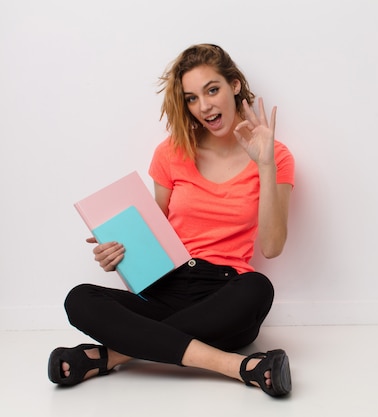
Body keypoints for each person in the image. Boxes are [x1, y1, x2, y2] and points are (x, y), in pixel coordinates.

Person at [47, 44, 294, 397]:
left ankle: (111, 356)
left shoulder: (276, 156)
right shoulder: (172, 152)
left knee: (259, 289)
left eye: (212, 90)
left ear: (235, 85)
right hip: (166, 283)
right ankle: (239, 367)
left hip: (225, 293)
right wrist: (115, 250)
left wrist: (265, 164)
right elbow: (154, 229)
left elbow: (271, 247)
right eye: (192, 98)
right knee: (79, 299)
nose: (204, 106)